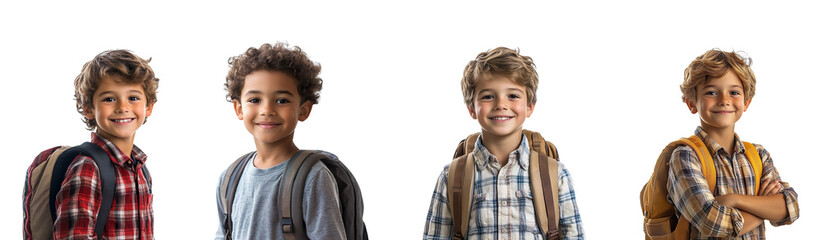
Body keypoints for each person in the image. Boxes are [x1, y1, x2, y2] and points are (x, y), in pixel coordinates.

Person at [423, 47, 584, 239]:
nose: (501, 104)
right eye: (488, 96)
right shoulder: (451, 176)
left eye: (513, 96)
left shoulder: (555, 174)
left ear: (529, 106)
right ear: (471, 108)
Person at [215, 43, 346, 239]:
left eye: (282, 100)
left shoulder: (314, 177)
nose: (267, 110)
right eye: (255, 100)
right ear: (239, 108)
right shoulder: (229, 178)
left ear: (304, 110)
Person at [667, 49, 800, 239]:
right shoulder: (686, 156)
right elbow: (712, 223)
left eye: (734, 92)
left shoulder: (758, 155)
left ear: (746, 102)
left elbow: (791, 207)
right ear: (691, 103)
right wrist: (764, 207)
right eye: (711, 92)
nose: (724, 100)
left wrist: (734, 200)